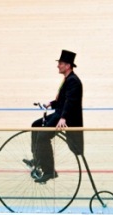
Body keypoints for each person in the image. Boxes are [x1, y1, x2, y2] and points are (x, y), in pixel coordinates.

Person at [23, 50, 84, 183]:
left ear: (68, 66)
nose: (58, 66)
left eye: (61, 63)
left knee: (43, 136)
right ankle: (38, 158)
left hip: (65, 117)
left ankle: (49, 170)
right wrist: (50, 104)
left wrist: (63, 118)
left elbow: (71, 102)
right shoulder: (68, 80)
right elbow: (63, 100)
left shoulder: (73, 81)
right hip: (60, 113)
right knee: (35, 125)